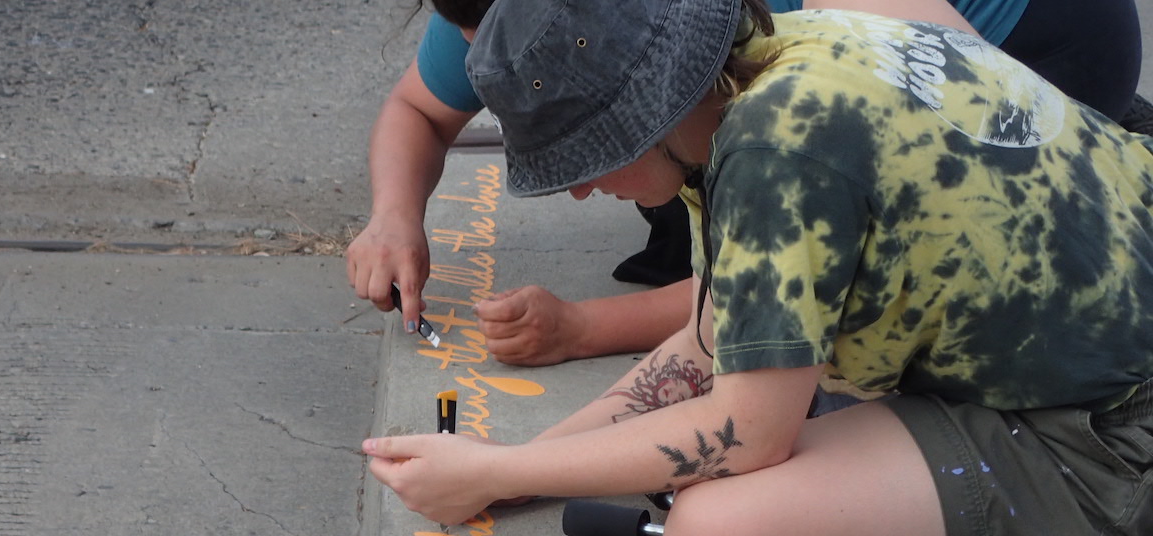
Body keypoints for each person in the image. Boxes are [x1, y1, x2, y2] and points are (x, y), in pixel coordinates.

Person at [362, 0, 1153, 536]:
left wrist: (511, 470)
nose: (577, 189)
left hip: (1110, 430)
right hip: (1107, 321)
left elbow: (744, 430)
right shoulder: (768, 71)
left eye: (587, 155)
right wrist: (505, 473)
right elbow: (711, 345)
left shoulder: (778, 154)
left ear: (645, 117)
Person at [347, 0, 1144, 365]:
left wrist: (586, 329)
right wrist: (391, 216)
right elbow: (416, 108)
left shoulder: (788, 126)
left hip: (1047, 41)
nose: (577, 192)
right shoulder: (531, 28)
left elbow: (778, 297)